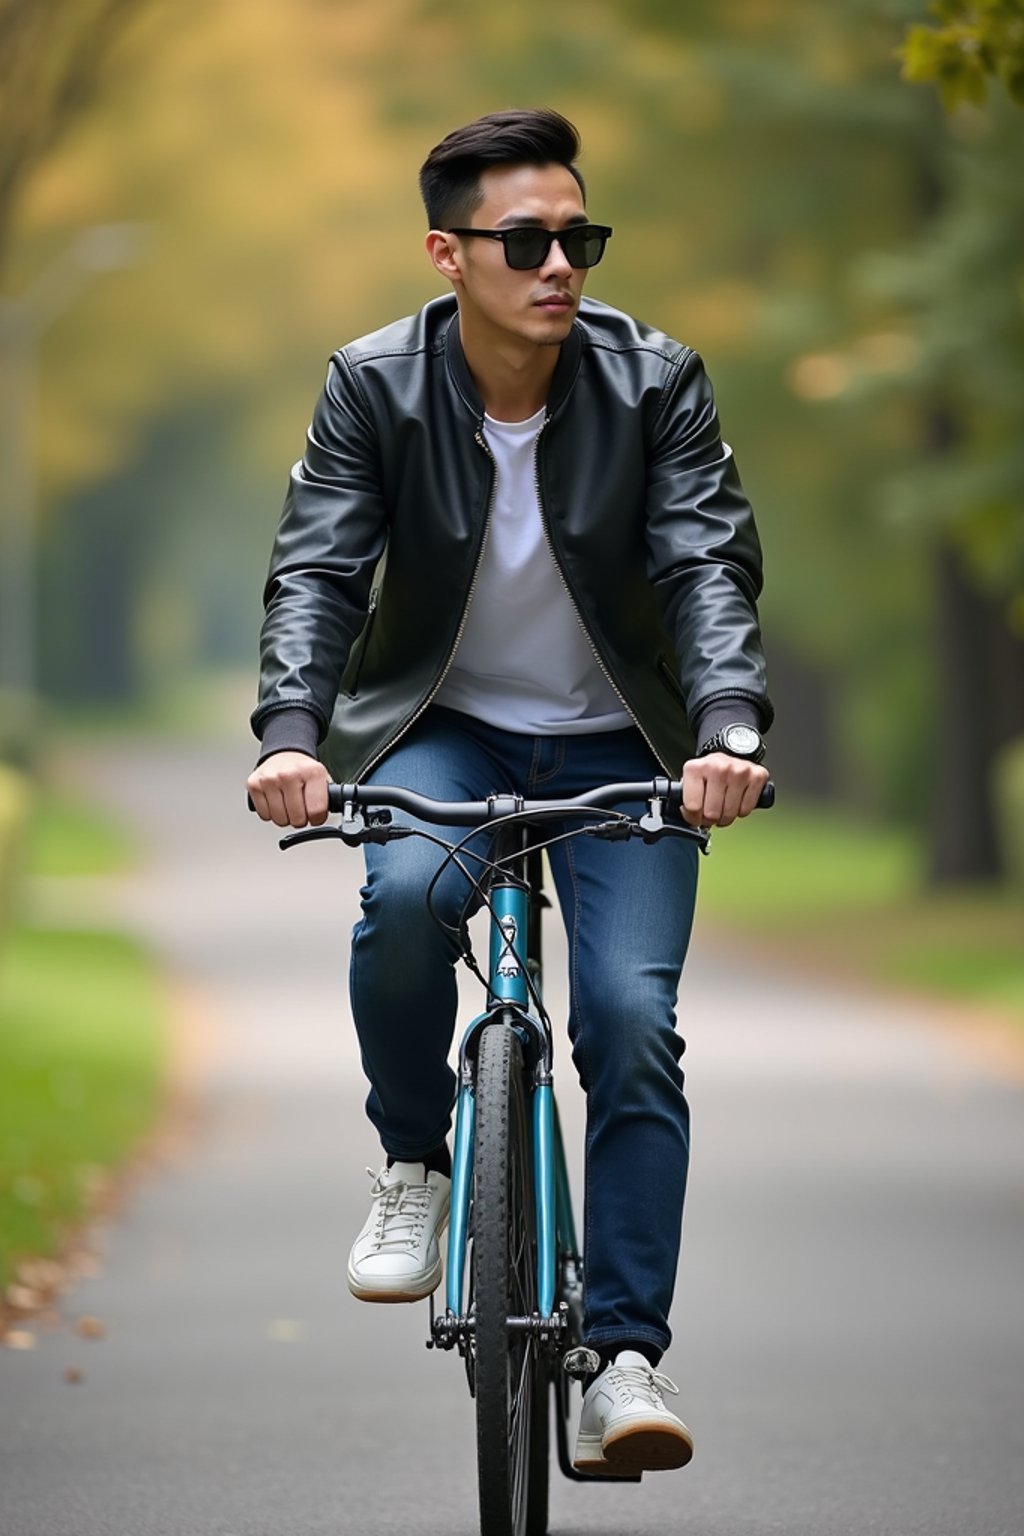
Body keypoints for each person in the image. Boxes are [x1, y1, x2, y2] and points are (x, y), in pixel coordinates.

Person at [248, 108, 771, 1477]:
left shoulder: (655, 380)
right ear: (447, 251)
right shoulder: (374, 384)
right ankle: (416, 1162)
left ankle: (623, 1358)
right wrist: (295, 734)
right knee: (409, 893)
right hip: (448, 727)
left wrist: (722, 726)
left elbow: (706, 564)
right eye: (526, 239)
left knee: (628, 1022)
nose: (559, 265)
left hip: (626, 748)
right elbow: (317, 570)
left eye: (577, 238)